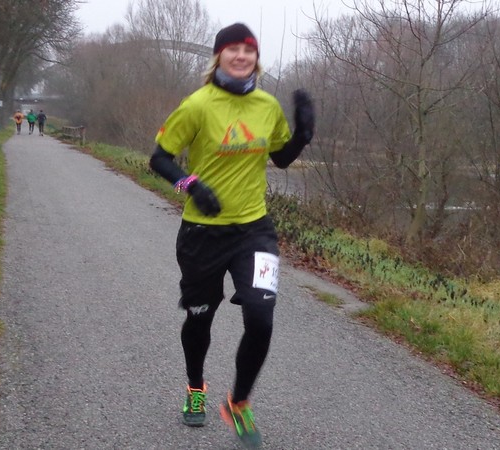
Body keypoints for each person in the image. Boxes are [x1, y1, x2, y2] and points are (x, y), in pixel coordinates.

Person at [149, 23, 314, 448]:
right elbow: (160, 158)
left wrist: (302, 135)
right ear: (218, 56)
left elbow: (280, 158)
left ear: (256, 58)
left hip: (254, 230)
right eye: (233, 49)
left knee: (261, 317)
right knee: (199, 317)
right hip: (202, 233)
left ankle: (237, 403)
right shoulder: (198, 104)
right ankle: (195, 388)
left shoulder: (267, 105)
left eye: (248, 50)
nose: (241, 56)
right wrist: (191, 186)